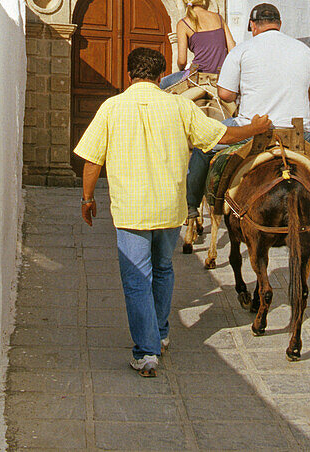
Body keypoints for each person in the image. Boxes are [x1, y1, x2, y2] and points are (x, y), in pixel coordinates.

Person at [74, 46, 270, 377]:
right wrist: (255, 128)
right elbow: (221, 134)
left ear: (129, 74)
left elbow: (92, 159)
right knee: (163, 269)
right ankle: (161, 334)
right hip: (169, 208)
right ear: (161, 76)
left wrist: (87, 198)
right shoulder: (180, 106)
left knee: (138, 279)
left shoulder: (112, 107)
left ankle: (146, 352)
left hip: (131, 209)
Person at [186, 2, 310, 214]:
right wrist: (293, 88)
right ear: (279, 24)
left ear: (253, 26)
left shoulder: (242, 51)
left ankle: (191, 205)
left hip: (252, 131)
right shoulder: (305, 50)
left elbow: (225, 94)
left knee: (203, 146)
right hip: (299, 134)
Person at [159, 0, 235, 90]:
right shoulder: (218, 18)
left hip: (198, 74)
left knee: (161, 84)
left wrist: (181, 70)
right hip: (220, 74)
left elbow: (182, 60)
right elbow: (232, 48)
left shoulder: (183, 23)